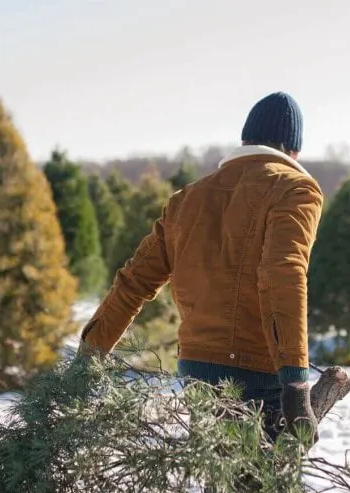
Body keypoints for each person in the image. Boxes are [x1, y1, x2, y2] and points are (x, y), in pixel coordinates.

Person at [78, 91, 324, 446]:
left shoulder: (187, 198)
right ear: (293, 150)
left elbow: (133, 282)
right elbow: (283, 274)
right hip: (257, 374)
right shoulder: (296, 188)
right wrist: (297, 382)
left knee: (221, 488)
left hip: (197, 369)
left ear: (245, 140)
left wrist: (89, 357)